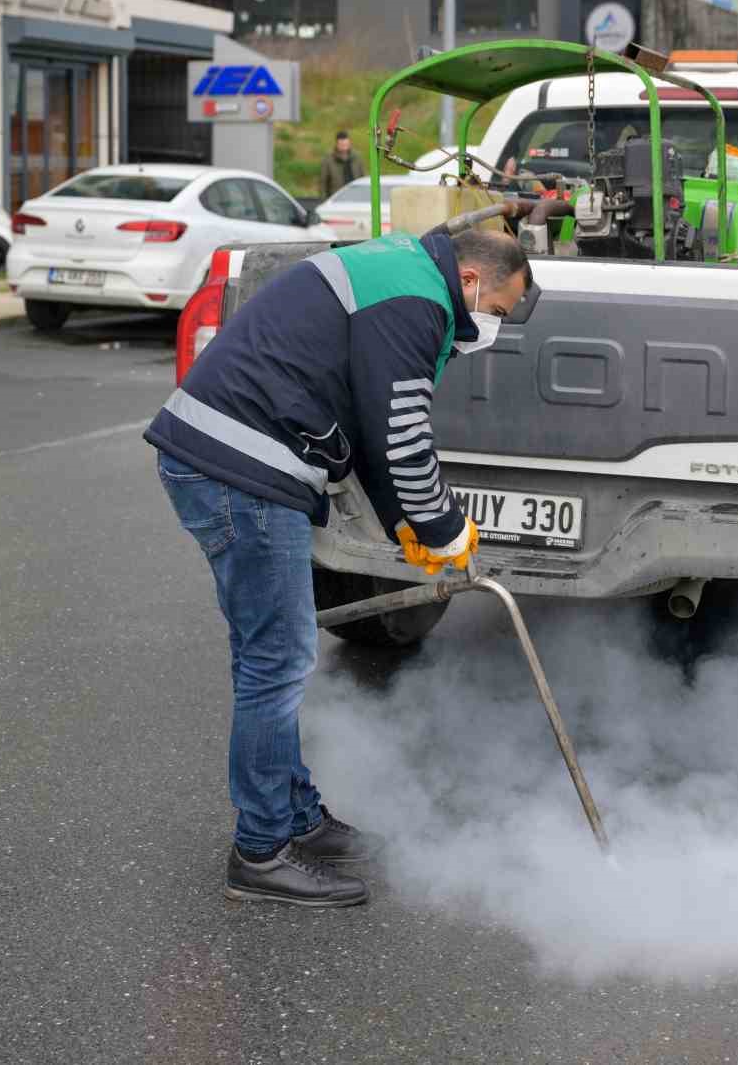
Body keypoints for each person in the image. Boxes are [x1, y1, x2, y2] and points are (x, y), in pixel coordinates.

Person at [146, 229, 533, 907]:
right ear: (471, 279)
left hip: (228, 456)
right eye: (499, 310)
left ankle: (295, 815)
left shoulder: (404, 271)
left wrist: (407, 528)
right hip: (243, 469)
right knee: (279, 661)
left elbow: (370, 433)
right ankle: (262, 852)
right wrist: (445, 530)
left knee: (267, 659)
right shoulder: (417, 300)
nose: (493, 326)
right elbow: (401, 438)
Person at [320, 130, 365, 200]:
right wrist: (324, 200)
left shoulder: (357, 157)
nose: (344, 147)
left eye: (346, 144)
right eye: (342, 145)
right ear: (337, 144)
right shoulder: (328, 159)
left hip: (356, 197)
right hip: (336, 198)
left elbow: (362, 177)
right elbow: (323, 182)